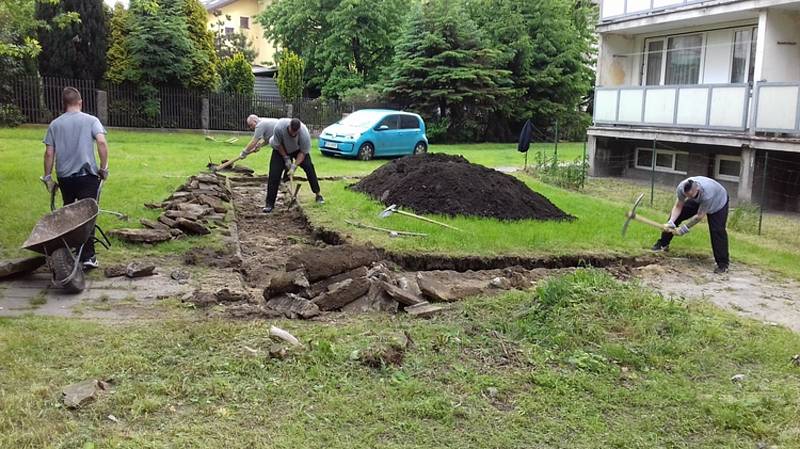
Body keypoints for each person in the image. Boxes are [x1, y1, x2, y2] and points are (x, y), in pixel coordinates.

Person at [41, 87, 109, 269]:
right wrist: (103, 168)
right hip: (87, 176)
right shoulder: (91, 120)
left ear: (64, 104)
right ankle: (88, 257)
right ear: (80, 102)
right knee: (88, 215)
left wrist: (48, 178)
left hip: (65, 178)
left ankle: (69, 251)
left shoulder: (55, 124)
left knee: (69, 215)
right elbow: (101, 142)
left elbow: (49, 153)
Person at [652, 176, 730, 273]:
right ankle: (663, 244)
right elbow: (678, 206)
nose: (688, 198)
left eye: (690, 196)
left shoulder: (707, 194)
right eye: (687, 196)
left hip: (718, 202)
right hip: (698, 199)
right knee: (677, 216)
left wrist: (683, 229)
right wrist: (671, 222)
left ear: (697, 189)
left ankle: (723, 264)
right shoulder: (682, 188)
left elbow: (699, 216)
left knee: (717, 230)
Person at [263, 118, 324, 213]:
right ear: (289, 127)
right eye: (291, 132)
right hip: (281, 148)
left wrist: (294, 166)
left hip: (298, 150)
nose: (293, 135)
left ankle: (318, 194)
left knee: (309, 167)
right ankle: (269, 204)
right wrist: (286, 158)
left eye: (295, 133)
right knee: (274, 173)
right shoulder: (279, 127)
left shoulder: (304, 134)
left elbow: (303, 153)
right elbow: (278, 144)